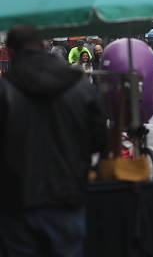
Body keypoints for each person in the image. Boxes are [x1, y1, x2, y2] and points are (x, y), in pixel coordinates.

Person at [0, 25, 107, 256]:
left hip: (17, 202)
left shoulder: (5, 89)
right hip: (67, 197)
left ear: (10, 52)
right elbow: (100, 140)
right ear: (42, 46)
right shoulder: (79, 85)